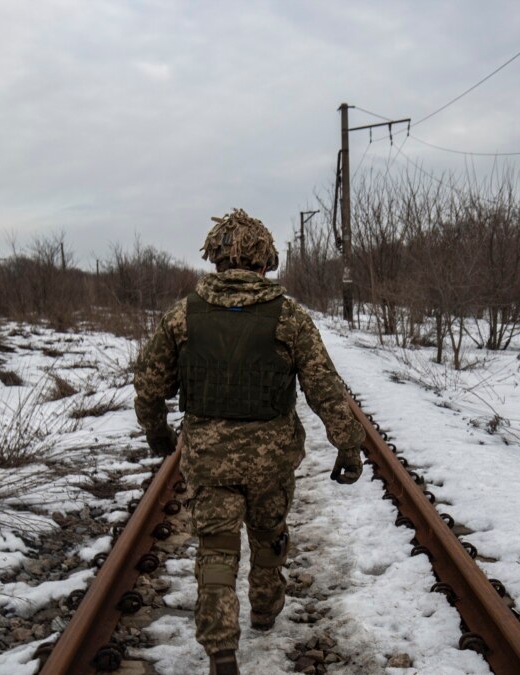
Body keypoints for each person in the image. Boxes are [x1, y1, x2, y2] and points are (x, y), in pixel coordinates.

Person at [133, 208, 366, 675]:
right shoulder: (290, 317)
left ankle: (221, 650)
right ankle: (264, 609)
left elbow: (149, 386)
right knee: (267, 536)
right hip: (271, 461)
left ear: (215, 258)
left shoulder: (182, 316)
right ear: (265, 260)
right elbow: (324, 387)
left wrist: (159, 435)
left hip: (208, 460)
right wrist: (348, 445)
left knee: (216, 550)